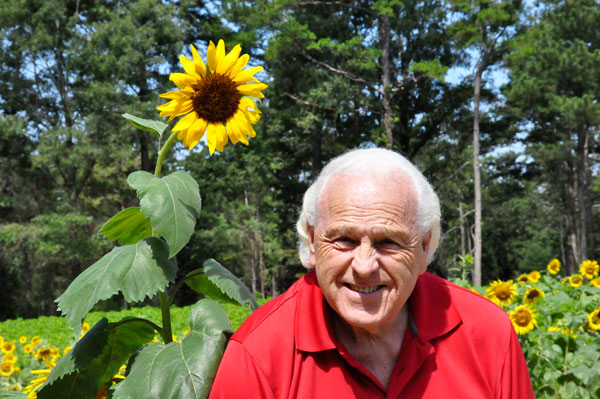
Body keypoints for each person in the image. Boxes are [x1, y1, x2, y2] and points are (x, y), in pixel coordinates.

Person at [209, 147, 535, 398]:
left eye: (388, 242)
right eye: (345, 240)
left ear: (425, 247)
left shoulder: (487, 334)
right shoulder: (258, 354)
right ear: (311, 240)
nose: (364, 266)